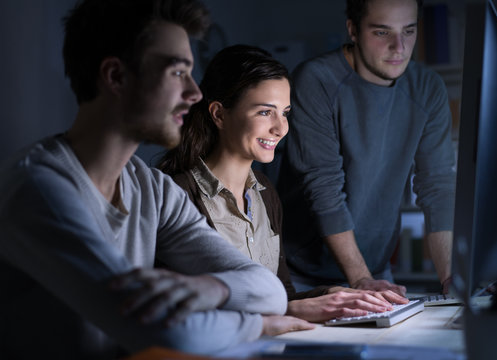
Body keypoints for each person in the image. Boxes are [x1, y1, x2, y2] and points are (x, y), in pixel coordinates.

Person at [0, 1, 312, 359]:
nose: (194, 93)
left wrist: (210, 288)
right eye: (177, 72)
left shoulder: (153, 189)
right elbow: (168, 332)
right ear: (116, 76)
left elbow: (269, 290)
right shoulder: (37, 189)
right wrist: (257, 324)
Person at [158, 44, 408, 324]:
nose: (281, 128)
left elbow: (282, 295)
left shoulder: (266, 193)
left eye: (285, 112)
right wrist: (293, 309)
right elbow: (182, 309)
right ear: (219, 114)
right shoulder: (176, 194)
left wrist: (333, 293)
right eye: (265, 112)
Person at [277, 0, 455, 295]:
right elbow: (324, 188)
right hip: (303, 272)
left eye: (408, 31)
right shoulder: (315, 80)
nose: (399, 47)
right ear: (353, 30)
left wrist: (451, 280)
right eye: (382, 33)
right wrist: (361, 280)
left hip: (374, 268)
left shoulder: (428, 88)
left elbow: (437, 187)